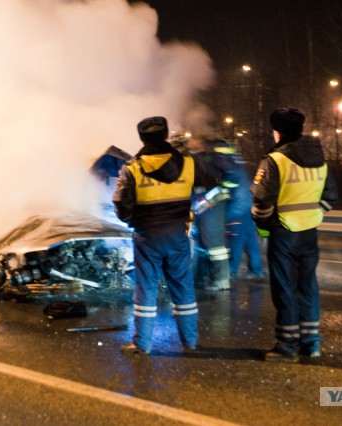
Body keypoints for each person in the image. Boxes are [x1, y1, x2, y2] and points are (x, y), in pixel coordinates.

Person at [112, 116, 219, 355]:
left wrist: (133, 221)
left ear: (142, 138)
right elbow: (214, 187)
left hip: (147, 237)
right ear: (165, 134)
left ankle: (143, 344)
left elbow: (121, 207)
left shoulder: (133, 168)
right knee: (183, 289)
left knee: (146, 289)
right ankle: (190, 342)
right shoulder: (189, 163)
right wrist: (195, 210)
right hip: (178, 234)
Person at [251, 108, 338, 362]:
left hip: (284, 232)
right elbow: (331, 196)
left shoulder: (275, 160)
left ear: (278, 132)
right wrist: (315, 216)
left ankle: (287, 346)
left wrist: (265, 225)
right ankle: (311, 344)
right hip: (309, 233)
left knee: (285, 289)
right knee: (307, 285)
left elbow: (261, 201)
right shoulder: (319, 159)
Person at [184, 135, 236, 291]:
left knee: (215, 244)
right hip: (208, 202)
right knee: (203, 241)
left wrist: (203, 201)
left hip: (213, 202)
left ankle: (221, 280)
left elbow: (217, 184)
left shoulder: (207, 158)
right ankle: (203, 277)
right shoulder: (202, 158)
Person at [224, 149, 264, 281]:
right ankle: (256, 271)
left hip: (237, 212)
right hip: (248, 210)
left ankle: (231, 273)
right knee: (251, 242)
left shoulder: (231, 171)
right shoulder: (245, 167)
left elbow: (228, 193)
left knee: (236, 243)